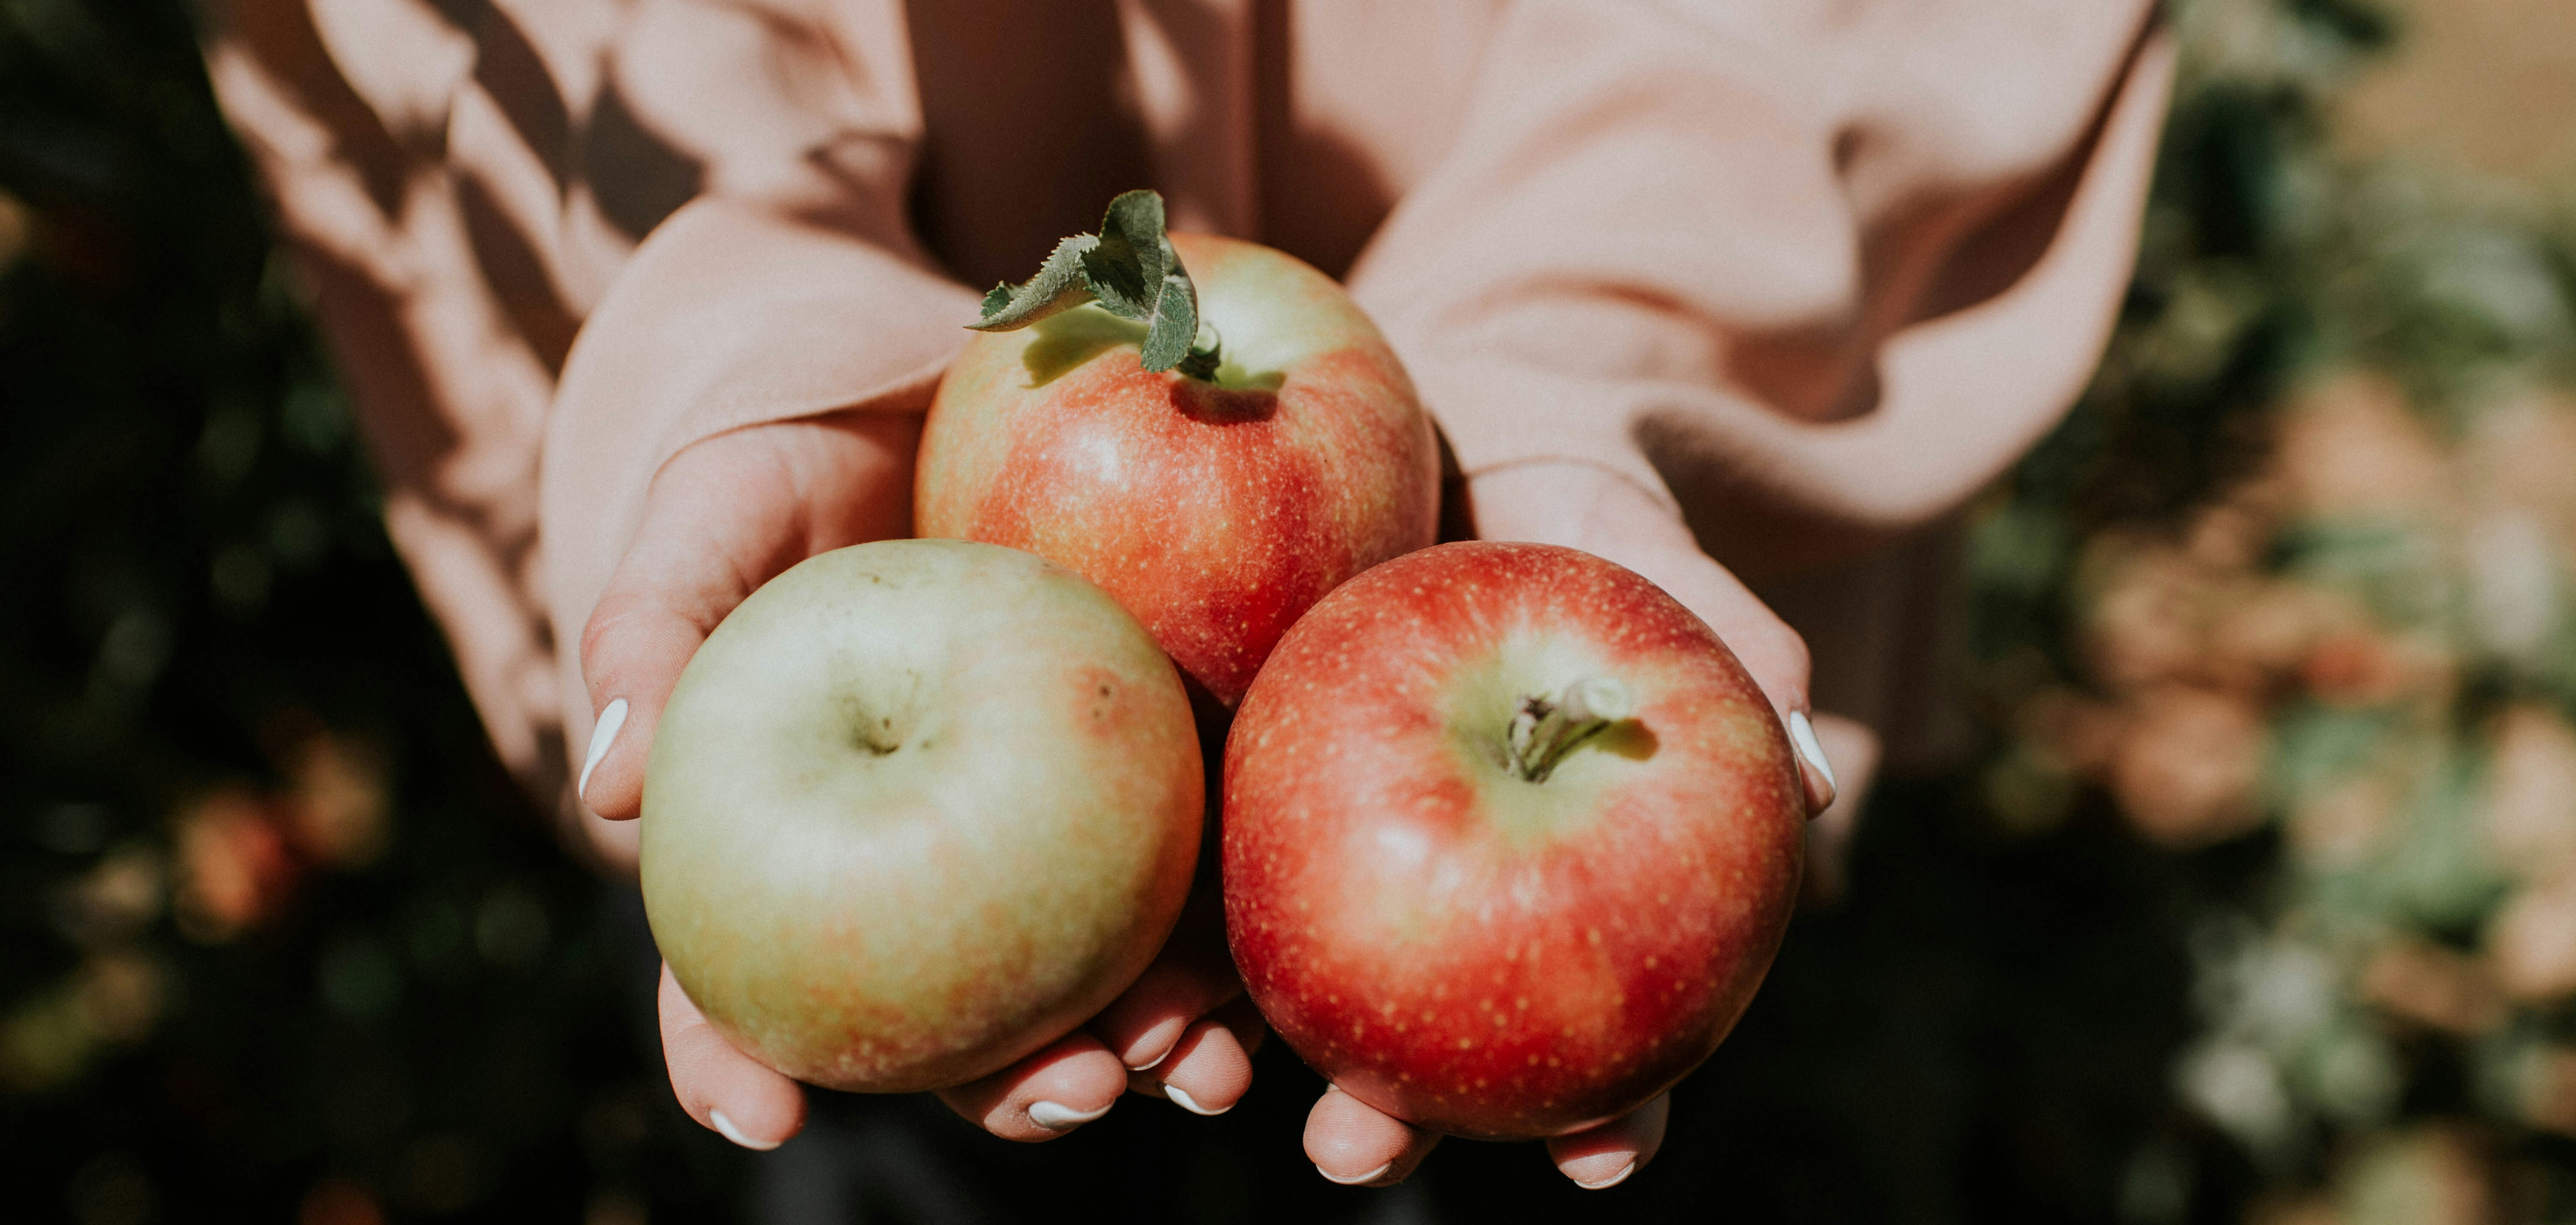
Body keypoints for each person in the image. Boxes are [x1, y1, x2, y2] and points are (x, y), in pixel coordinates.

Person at [199, 0, 2172, 1195]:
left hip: (1533, 582)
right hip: (933, 659)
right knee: (900, 1118)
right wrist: (757, 290)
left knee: (1545, 1101)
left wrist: (1586, 350)